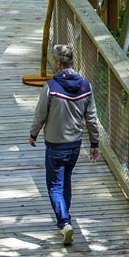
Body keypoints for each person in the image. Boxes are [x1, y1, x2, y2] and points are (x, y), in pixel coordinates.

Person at [29, 44, 100, 246]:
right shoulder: (86, 86)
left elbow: (40, 114)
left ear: (58, 63)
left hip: (55, 145)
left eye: (54, 60)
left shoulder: (51, 87)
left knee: (54, 186)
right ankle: (65, 218)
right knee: (66, 180)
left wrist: (33, 133)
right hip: (74, 145)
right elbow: (92, 119)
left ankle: (64, 222)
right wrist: (94, 143)